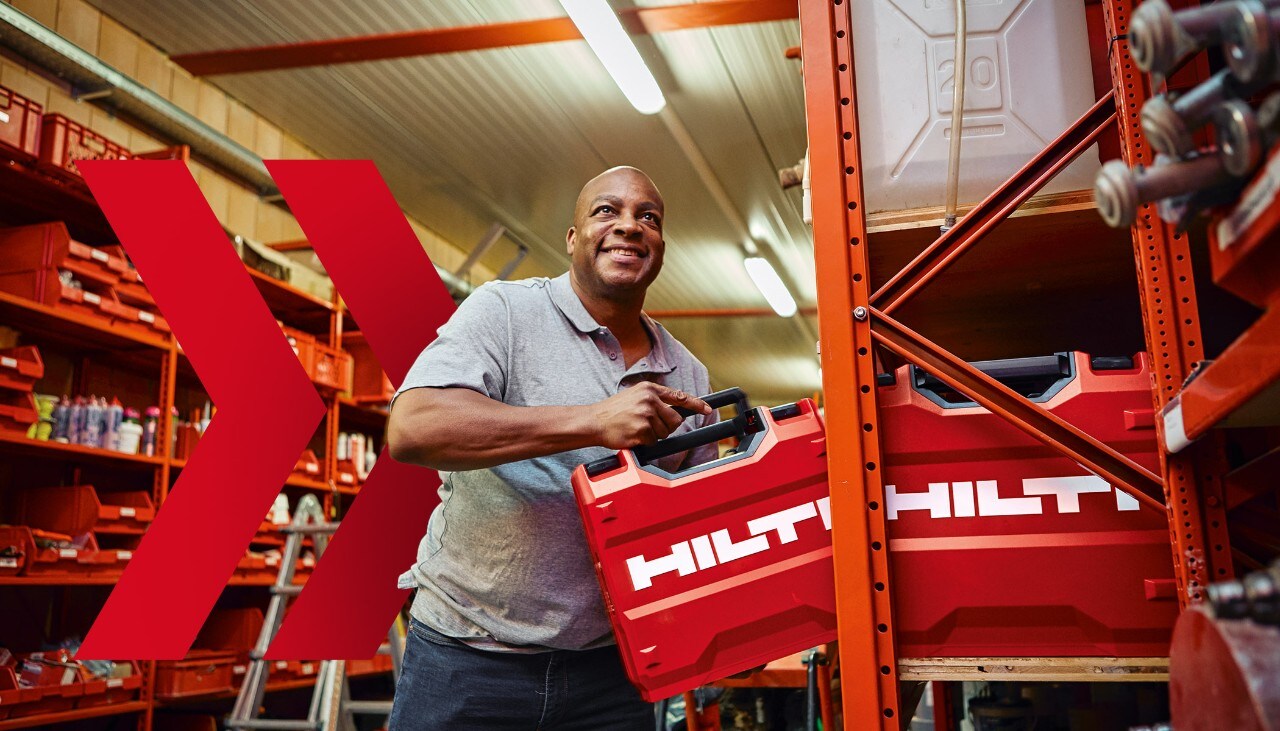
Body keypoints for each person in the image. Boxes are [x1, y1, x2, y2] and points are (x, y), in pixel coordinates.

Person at [385, 166, 719, 730]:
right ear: (572, 239)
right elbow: (413, 428)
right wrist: (593, 422)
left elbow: (690, 525)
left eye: (648, 218)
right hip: (468, 658)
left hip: (610, 676)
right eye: (606, 211)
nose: (629, 226)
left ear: (660, 247)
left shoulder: (688, 371)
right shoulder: (506, 312)